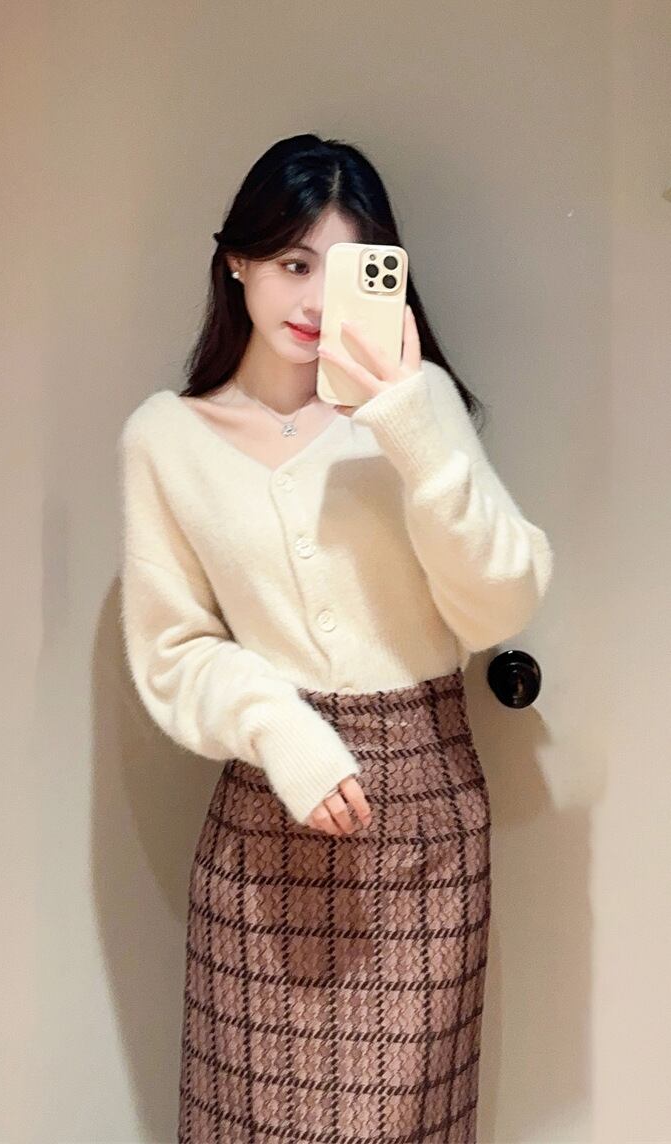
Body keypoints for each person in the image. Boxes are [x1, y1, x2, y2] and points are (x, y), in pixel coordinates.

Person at [117, 133, 553, 1143]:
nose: (313, 298)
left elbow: (499, 604)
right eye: (291, 262)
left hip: (424, 820)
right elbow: (172, 649)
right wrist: (280, 730)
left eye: (344, 267)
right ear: (237, 261)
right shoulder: (165, 439)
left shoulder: (413, 412)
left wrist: (408, 419)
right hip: (264, 821)